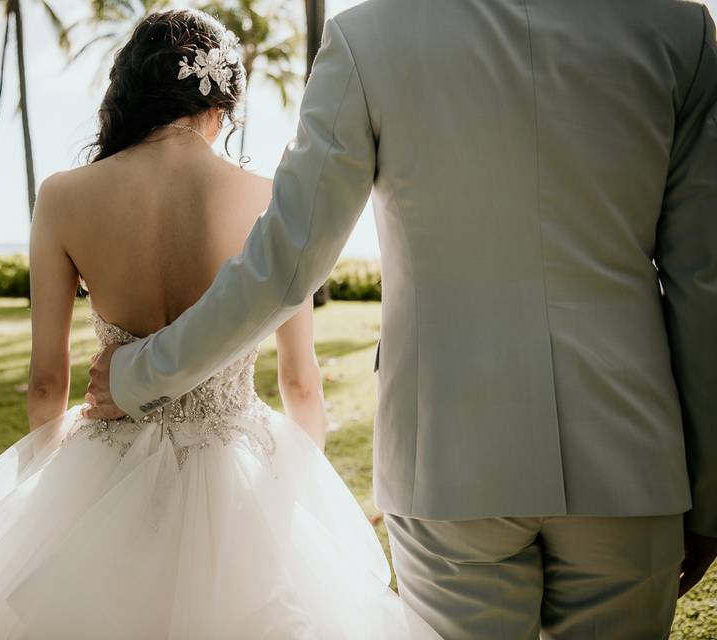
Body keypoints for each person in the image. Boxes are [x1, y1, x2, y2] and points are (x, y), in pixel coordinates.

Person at [84, 1, 717, 638]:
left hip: (448, 457)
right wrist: (710, 495)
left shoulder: (369, 37)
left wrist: (141, 371)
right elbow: (704, 283)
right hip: (632, 462)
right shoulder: (679, 31)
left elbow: (285, 265)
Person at [0, 9, 436, 639]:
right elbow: (301, 384)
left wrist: (52, 494)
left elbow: (44, 384)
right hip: (238, 475)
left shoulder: (62, 196)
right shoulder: (268, 199)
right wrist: (294, 493)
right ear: (222, 102)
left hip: (105, 461)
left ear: (129, 92)